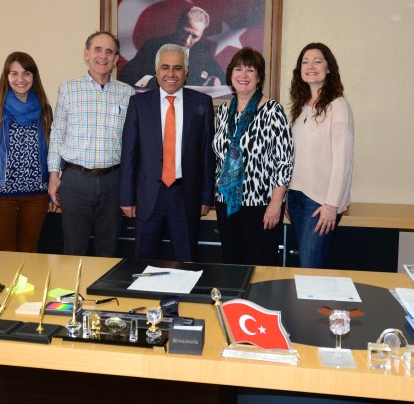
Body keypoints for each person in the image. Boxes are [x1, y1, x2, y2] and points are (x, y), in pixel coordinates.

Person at [120, 44, 215, 261]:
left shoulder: (201, 103)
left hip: (186, 195)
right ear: (156, 71)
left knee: (186, 260)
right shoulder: (139, 103)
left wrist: (206, 196)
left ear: (186, 72)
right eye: (165, 67)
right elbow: (129, 155)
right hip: (147, 197)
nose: (171, 74)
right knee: (144, 260)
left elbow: (206, 155)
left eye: (177, 68)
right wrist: (126, 197)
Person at [48, 31, 133, 257]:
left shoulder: (127, 93)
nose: (103, 56)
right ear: (86, 54)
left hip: (113, 182)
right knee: (74, 250)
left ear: (116, 59)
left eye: (109, 52)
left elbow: (133, 143)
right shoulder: (68, 89)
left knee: (108, 251)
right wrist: (53, 176)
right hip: (76, 181)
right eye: (97, 50)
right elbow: (57, 134)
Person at [213, 47, 294, 266]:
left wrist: (276, 203)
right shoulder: (223, 111)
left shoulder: (272, 110)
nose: (243, 75)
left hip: (260, 205)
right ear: (231, 75)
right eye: (238, 69)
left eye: (250, 70)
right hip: (227, 203)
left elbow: (284, 161)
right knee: (233, 266)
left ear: (259, 77)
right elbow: (219, 158)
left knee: (259, 267)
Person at [287, 42, 354, 269]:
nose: (310, 66)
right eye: (305, 62)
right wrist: (287, 195)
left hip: (319, 202)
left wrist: (332, 205)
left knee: (310, 269)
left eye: (317, 61)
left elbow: (343, 159)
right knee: (305, 266)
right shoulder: (301, 106)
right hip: (295, 198)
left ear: (329, 68)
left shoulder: (338, 106)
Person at [0, 52, 53, 252]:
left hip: (37, 196)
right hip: (2, 197)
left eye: (26, 73)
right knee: (6, 253)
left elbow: (53, 154)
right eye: (14, 73)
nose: (21, 79)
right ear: (6, 77)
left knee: (30, 250)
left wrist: (52, 192)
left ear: (34, 76)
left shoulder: (45, 111)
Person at [118, 6, 225, 89]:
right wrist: (152, 81)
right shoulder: (152, 46)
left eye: (195, 36)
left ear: (202, 34)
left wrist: (216, 80)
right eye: (185, 32)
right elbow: (125, 75)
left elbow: (222, 77)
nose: (187, 40)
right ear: (177, 26)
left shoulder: (202, 50)